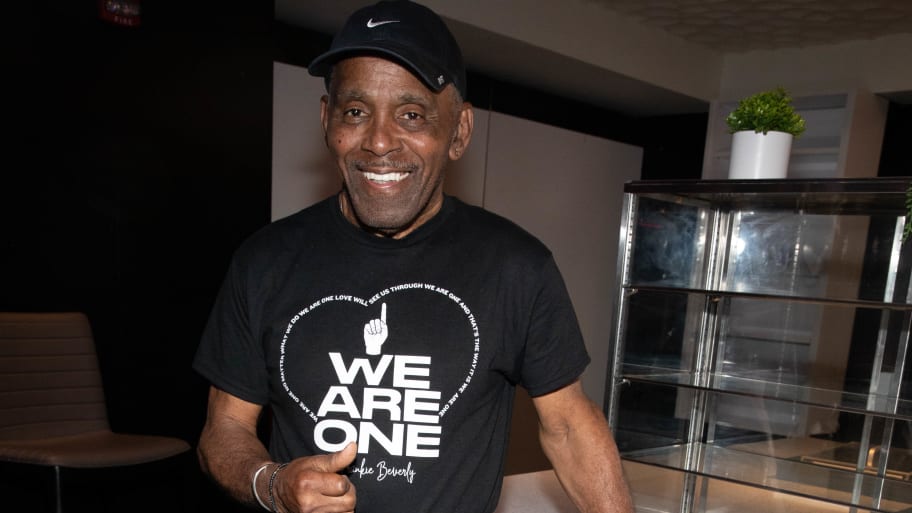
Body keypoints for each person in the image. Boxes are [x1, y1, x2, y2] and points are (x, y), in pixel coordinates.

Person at [193, 1, 634, 512]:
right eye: (355, 112)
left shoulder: (515, 266)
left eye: (412, 114)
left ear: (459, 132)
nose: (379, 141)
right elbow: (223, 428)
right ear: (326, 119)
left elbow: (568, 425)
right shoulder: (264, 262)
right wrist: (272, 485)